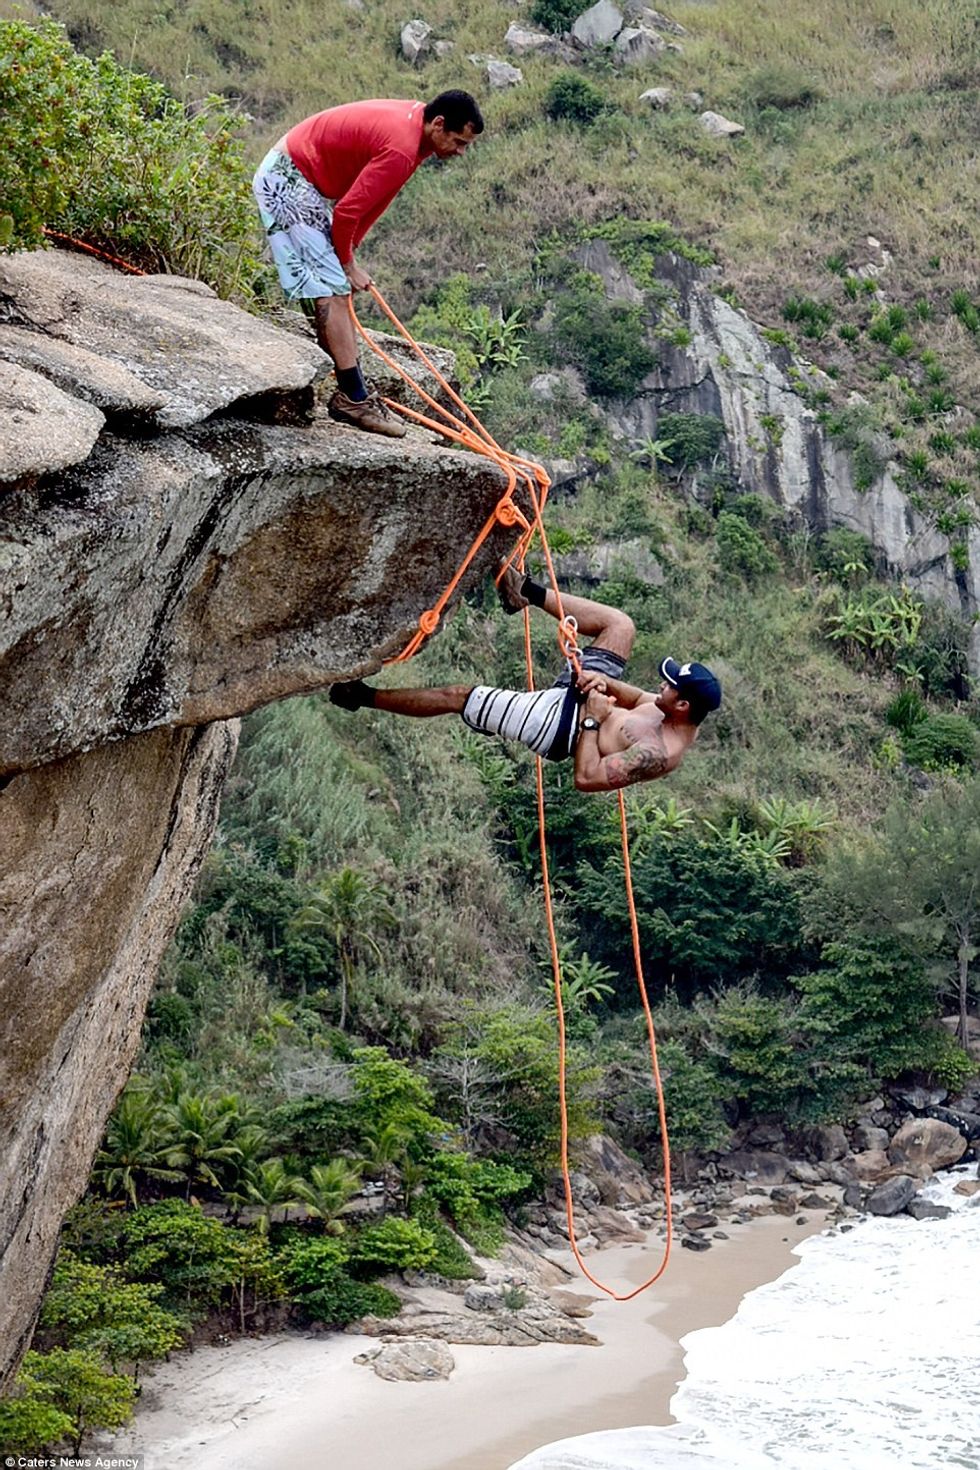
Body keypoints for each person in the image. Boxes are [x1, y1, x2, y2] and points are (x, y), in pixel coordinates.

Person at [329, 565, 722, 792]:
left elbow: (586, 778)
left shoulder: (656, 754)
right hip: (589, 701)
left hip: (561, 727)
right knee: (620, 625)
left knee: (458, 696)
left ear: (683, 705)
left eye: (669, 687)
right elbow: (637, 698)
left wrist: (592, 718)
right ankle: (524, 592)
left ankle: (360, 695)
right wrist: (601, 686)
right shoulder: (676, 712)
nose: (661, 687)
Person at [252, 91, 484, 437]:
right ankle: (353, 398)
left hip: (299, 175)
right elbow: (346, 212)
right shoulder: (401, 149)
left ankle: (345, 378)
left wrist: (350, 250)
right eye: (459, 141)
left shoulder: (415, 136)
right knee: (333, 288)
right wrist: (347, 263)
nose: (461, 151)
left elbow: (376, 200)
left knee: (331, 281)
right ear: (439, 124)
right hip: (288, 179)